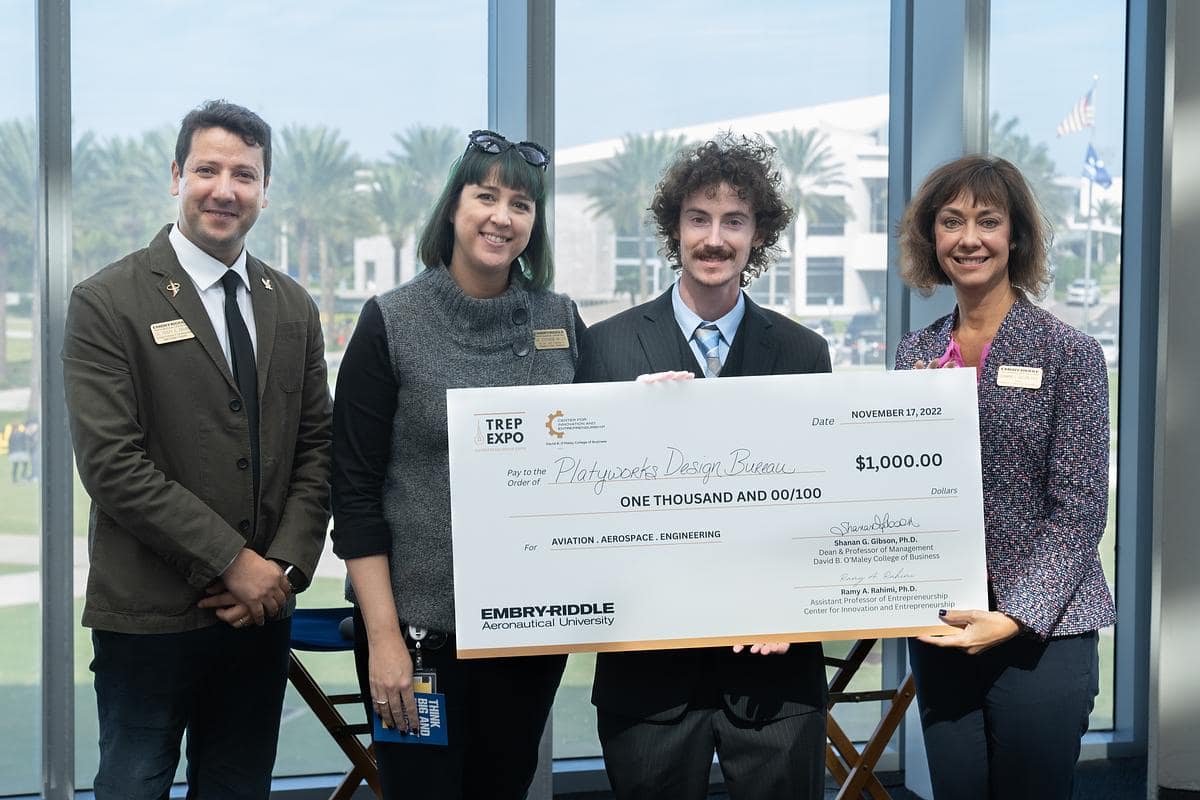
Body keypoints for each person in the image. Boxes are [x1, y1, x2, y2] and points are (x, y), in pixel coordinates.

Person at [62, 100, 332, 799]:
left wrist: (281, 570)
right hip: (147, 617)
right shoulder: (107, 301)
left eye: (245, 174)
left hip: (259, 617)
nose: (225, 189)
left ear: (265, 191)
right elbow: (112, 465)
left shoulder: (293, 306)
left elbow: (316, 448)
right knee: (132, 786)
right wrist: (233, 562)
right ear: (177, 174)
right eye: (207, 169)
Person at [331, 129, 586, 799]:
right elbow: (353, 494)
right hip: (416, 639)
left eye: (522, 204)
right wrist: (383, 641)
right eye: (487, 196)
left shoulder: (560, 319)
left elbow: (598, 455)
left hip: (529, 633)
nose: (503, 217)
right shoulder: (390, 321)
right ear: (454, 207)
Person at [576, 134, 831, 799]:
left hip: (775, 672)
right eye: (699, 218)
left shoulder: (805, 353)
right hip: (648, 677)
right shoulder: (605, 350)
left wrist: (799, 609)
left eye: (734, 220)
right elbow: (580, 506)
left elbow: (821, 506)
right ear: (675, 229)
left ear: (757, 235)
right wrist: (625, 434)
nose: (714, 238)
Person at [895, 154, 1114, 799]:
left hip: (1044, 634)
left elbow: (1079, 508)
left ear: (1014, 237)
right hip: (944, 627)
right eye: (951, 221)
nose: (969, 238)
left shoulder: (1067, 353)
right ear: (931, 239)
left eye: (988, 221)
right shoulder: (913, 357)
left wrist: (1014, 616)